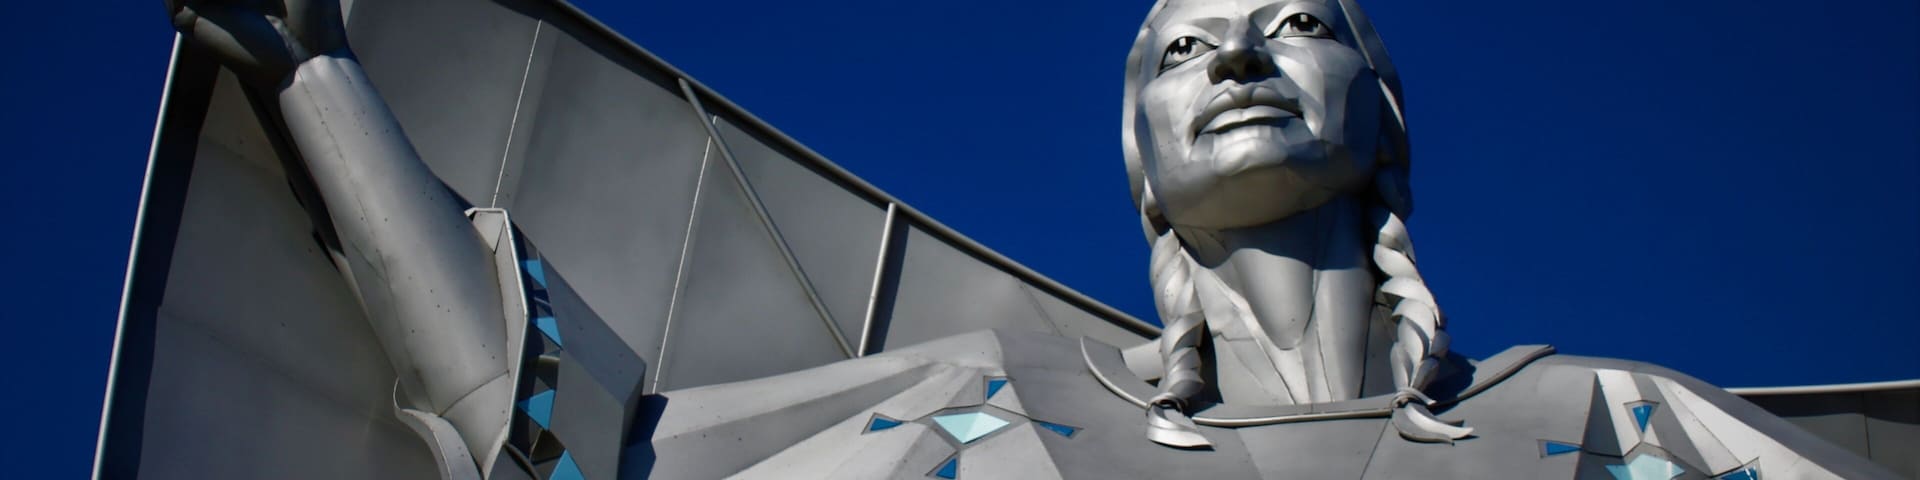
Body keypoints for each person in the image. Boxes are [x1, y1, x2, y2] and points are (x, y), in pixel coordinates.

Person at [165, 0, 1898, 477]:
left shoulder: (1609, 429)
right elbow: (573, 451)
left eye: (1296, 24)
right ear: (1141, 162)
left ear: (1384, 115)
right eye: (1182, 48)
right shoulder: (1004, 426)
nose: (1236, 58)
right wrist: (317, 74)